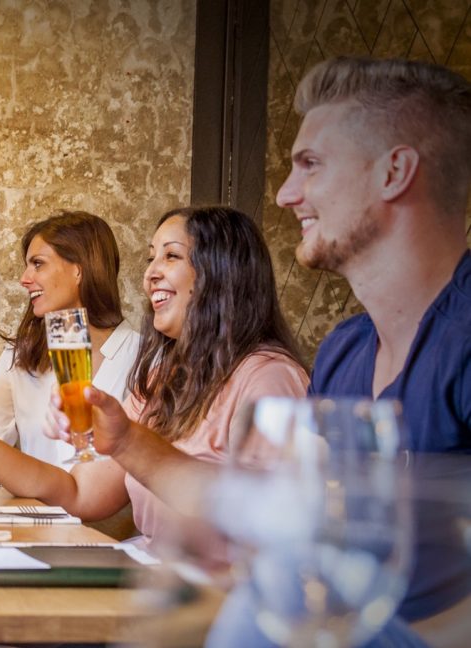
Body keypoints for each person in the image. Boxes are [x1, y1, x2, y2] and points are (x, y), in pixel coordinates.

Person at [65, 58, 471, 646]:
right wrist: (126, 439)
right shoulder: (346, 351)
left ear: (394, 173)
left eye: (310, 164)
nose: (285, 194)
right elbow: (281, 516)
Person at [0, 206, 308, 542]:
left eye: (170, 256)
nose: (151, 273)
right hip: (151, 573)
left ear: (222, 273)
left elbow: (270, 522)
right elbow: (78, 490)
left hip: (211, 597)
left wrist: (126, 441)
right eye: (150, 259)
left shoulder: (268, 379)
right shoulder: (164, 379)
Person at [0, 210, 141, 469]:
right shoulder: (21, 354)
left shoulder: (142, 355)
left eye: (38, 263)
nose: (24, 279)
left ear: (79, 269)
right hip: (38, 507)